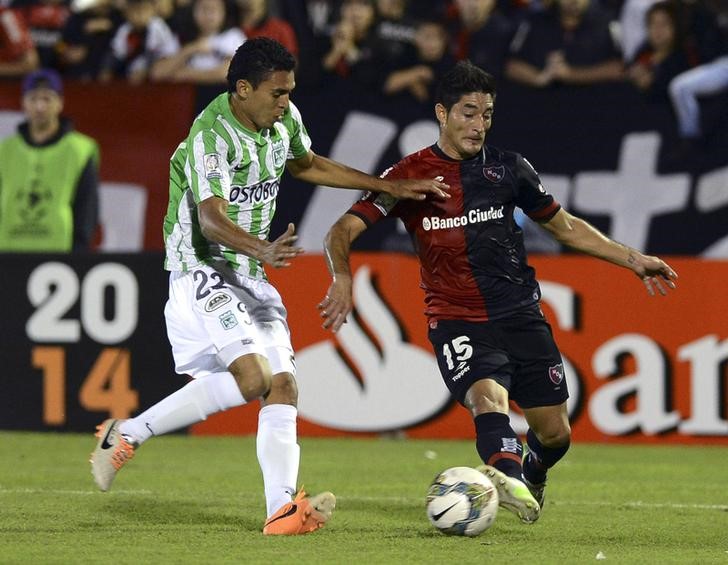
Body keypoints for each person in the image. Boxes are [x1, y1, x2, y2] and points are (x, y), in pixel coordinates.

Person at [89, 37, 448, 536]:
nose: (286, 102)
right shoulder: (210, 136)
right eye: (277, 93)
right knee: (254, 378)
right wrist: (260, 248)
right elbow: (211, 219)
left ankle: (280, 510)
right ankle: (128, 433)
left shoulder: (283, 119)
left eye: (289, 92)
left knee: (284, 384)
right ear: (242, 90)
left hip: (251, 272)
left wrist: (386, 186)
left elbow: (307, 164)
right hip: (204, 267)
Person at [318, 60, 678, 524]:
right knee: (487, 399)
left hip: (519, 314)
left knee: (555, 434)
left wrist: (633, 259)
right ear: (442, 114)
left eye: (486, 114)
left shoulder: (510, 170)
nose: (479, 125)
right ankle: (503, 479)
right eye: (468, 112)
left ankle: (530, 469)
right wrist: (342, 277)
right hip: (455, 317)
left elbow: (565, 228)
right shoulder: (408, 176)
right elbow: (340, 231)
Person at [0, 68, 99, 252]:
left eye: (47, 98)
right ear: (23, 103)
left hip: (58, 256)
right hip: (7, 256)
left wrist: (79, 256)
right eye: (33, 98)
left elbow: (86, 209)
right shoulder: (5, 150)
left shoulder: (79, 149)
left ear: (60, 103)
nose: (40, 106)